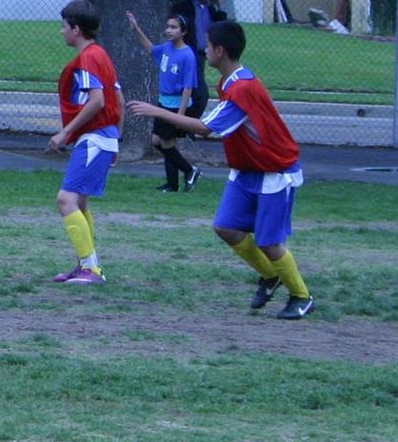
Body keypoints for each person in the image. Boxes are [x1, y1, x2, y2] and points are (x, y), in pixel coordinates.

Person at [130, 21, 315, 319]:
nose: (204, 50)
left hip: (275, 171)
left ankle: (301, 295)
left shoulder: (242, 88)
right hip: (246, 169)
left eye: (208, 45)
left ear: (221, 50)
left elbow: (205, 128)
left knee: (269, 241)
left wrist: (157, 112)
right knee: (226, 227)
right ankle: (272, 275)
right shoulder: (231, 82)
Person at [47, 0, 121, 286]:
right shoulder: (100, 54)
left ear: (76, 29)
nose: (62, 31)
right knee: (79, 201)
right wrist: (117, 140)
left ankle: (91, 268)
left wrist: (65, 133)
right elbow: (119, 101)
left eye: (64, 26)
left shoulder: (89, 57)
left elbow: (98, 101)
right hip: (104, 138)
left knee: (65, 199)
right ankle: (86, 265)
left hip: (95, 138)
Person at [124, 9, 202, 192]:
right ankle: (175, 182)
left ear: (183, 32)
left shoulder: (187, 55)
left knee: (164, 142)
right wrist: (136, 28)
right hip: (163, 103)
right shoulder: (167, 48)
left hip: (176, 107)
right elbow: (150, 48)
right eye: (168, 27)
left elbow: (188, 87)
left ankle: (189, 172)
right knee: (160, 142)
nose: (168, 30)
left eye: (173, 27)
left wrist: (180, 116)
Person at [170, 0, 228, 117]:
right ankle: (187, 126)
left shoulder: (211, 9)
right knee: (200, 96)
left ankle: (184, 126)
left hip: (201, 56)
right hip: (187, 54)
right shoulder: (184, 6)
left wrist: (220, 5)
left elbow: (223, 28)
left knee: (191, 94)